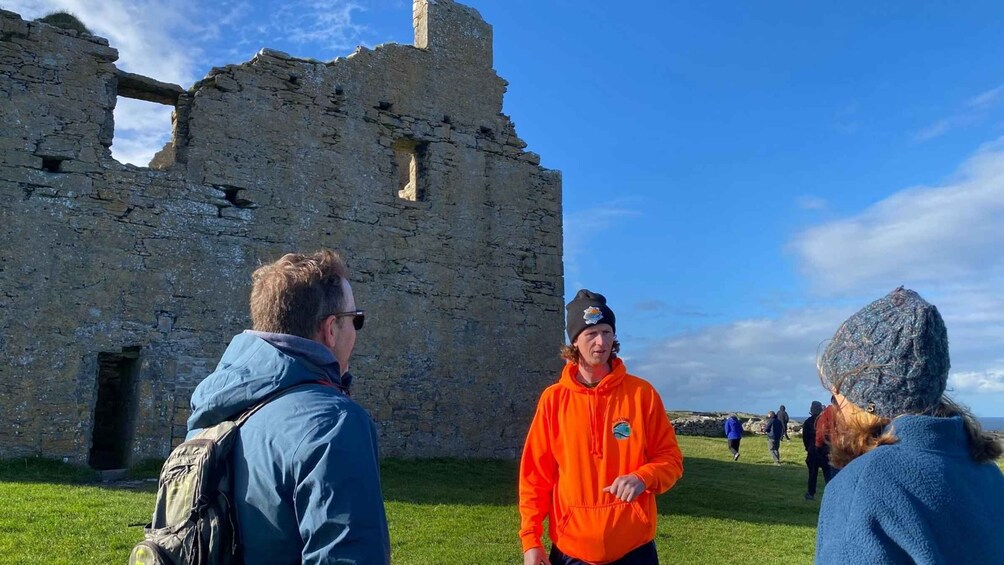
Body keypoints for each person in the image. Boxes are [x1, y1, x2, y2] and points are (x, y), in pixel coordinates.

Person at [186, 250, 391, 564]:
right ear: (331, 328)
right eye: (356, 320)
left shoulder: (210, 410)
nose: (355, 331)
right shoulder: (334, 424)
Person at [814, 287, 1004, 564]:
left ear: (867, 400)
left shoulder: (863, 483)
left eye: (835, 393)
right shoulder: (987, 474)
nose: (836, 406)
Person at [519, 290, 684, 565]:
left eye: (607, 332)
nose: (601, 342)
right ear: (574, 342)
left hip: (634, 550)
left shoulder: (642, 394)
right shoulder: (554, 400)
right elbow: (535, 477)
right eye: (591, 334)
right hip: (572, 551)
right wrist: (530, 540)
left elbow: (671, 460)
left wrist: (643, 477)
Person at [801, 400, 827, 500]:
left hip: (813, 451)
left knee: (812, 474)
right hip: (825, 451)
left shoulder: (808, 422)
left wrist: (808, 448)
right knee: (828, 474)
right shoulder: (825, 421)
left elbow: (805, 438)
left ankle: (811, 493)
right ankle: (832, 493)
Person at [814, 395, 838, 482]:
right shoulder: (849, 413)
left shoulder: (826, 413)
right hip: (849, 448)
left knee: (831, 475)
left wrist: (818, 446)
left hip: (831, 447)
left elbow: (821, 432)